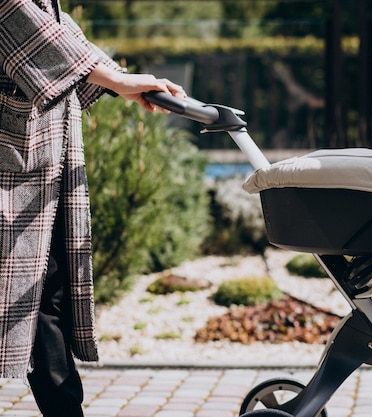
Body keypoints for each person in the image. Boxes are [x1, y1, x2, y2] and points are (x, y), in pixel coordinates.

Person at [0, 1, 186, 416]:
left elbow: (58, 32)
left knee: (49, 295)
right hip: (16, 165)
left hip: (37, 162)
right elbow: (18, 19)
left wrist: (121, 78)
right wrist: (118, 81)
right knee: (42, 293)